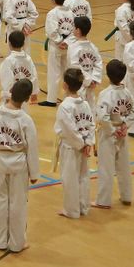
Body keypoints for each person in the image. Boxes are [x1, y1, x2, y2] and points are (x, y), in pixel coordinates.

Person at [0, 79, 39, 252]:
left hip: (0, 159)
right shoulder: (25, 119)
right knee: (18, 202)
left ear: (10, 91)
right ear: (27, 98)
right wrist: (34, 173)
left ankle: (0, 241)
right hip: (18, 162)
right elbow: (32, 148)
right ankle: (16, 243)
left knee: (1, 200)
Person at [54, 67, 96, 219]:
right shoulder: (84, 104)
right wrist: (88, 142)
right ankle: (83, 206)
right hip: (83, 144)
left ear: (64, 85)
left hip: (71, 147)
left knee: (70, 178)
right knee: (83, 176)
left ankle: (71, 210)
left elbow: (69, 130)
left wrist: (82, 144)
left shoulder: (65, 107)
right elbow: (91, 124)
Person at [94, 59, 134, 209]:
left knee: (106, 167)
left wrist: (113, 130)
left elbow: (102, 117)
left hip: (109, 133)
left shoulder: (106, 94)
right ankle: (127, 196)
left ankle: (103, 200)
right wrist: (125, 125)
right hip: (122, 133)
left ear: (108, 75)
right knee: (124, 166)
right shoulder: (127, 92)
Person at [42, 0, 74, 103]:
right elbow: (74, 30)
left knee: (54, 73)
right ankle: (69, 96)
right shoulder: (71, 13)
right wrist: (67, 42)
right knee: (67, 71)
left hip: (56, 46)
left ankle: (51, 100)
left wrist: (59, 41)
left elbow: (52, 31)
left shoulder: (53, 13)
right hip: (67, 46)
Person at [67, 16, 104, 104]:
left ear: (78, 30)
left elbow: (74, 68)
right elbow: (98, 64)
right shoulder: (93, 47)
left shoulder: (73, 47)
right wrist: (93, 79)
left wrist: (90, 80)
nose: (73, 28)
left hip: (79, 85)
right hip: (89, 84)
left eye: (74, 27)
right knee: (89, 108)